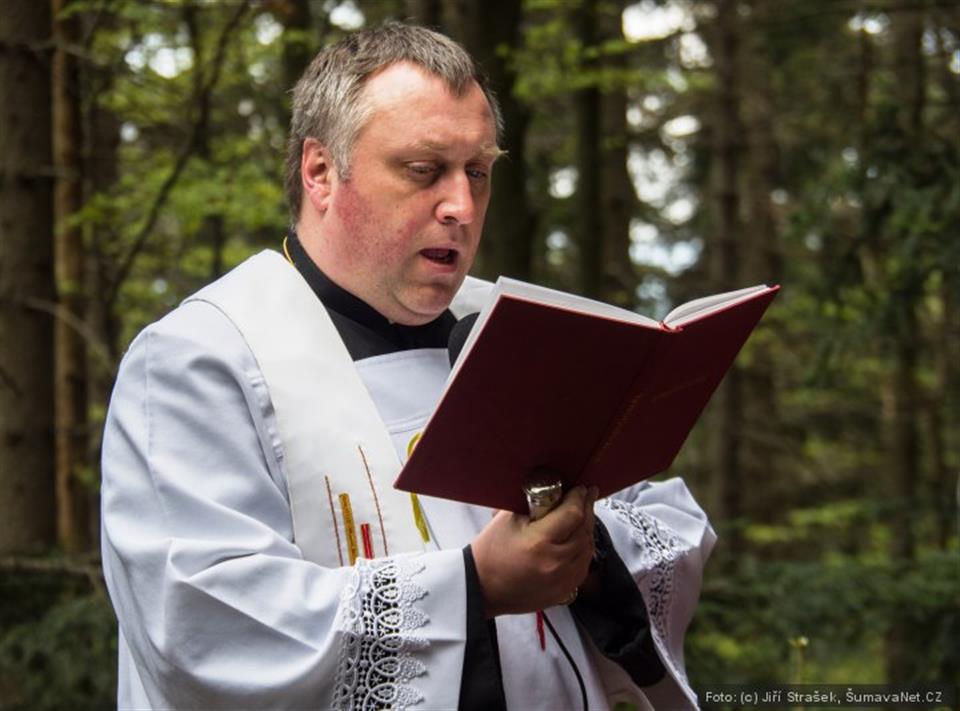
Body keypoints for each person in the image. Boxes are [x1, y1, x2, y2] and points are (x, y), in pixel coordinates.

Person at [101, 22, 715, 711]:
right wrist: (474, 586)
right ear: (320, 172)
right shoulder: (201, 359)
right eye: (424, 169)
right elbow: (203, 623)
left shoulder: (517, 327)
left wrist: (587, 552)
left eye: (477, 171)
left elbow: (661, 525)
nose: (461, 206)